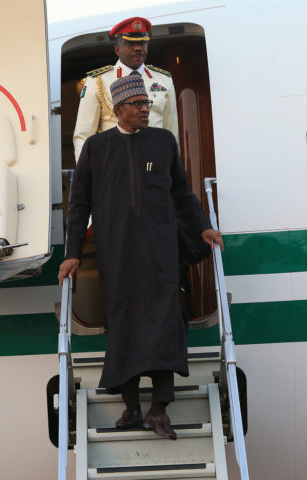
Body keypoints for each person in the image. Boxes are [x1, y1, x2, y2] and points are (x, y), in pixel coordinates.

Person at [58, 74, 223, 441]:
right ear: (118, 109)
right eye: (139, 105)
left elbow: (182, 193)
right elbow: (79, 204)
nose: (146, 110)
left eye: (147, 104)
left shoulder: (163, 142)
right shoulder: (97, 149)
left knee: (165, 321)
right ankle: (132, 407)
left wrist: (203, 227)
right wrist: (71, 255)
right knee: (124, 323)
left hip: (161, 250)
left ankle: (160, 408)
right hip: (117, 253)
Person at [72, 16, 179, 161]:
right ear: (117, 49)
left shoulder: (164, 80)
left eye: (143, 43)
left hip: (154, 163)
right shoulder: (97, 81)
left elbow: (171, 132)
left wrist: (170, 171)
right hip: (114, 164)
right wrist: (87, 177)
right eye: (130, 44)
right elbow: (83, 136)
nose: (138, 48)